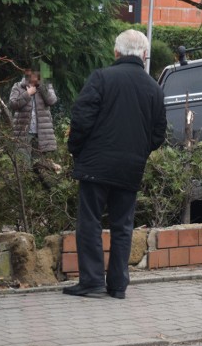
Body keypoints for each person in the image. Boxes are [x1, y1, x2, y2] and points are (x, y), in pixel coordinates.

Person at [64, 30, 167, 299]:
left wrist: (76, 149)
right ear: (145, 56)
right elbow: (158, 134)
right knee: (123, 226)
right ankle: (118, 285)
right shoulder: (154, 89)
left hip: (95, 164)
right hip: (130, 168)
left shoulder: (101, 78)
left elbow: (82, 117)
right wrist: (138, 152)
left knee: (90, 223)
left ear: (116, 53)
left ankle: (92, 281)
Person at [9, 68, 57, 166]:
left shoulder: (46, 86)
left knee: (39, 165)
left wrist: (42, 87)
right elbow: (13, 104)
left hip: (41, 133)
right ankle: (23, 181)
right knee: (23, 165)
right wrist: (28, 94)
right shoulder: (18, 86)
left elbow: (52, 101)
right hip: (23, 132)